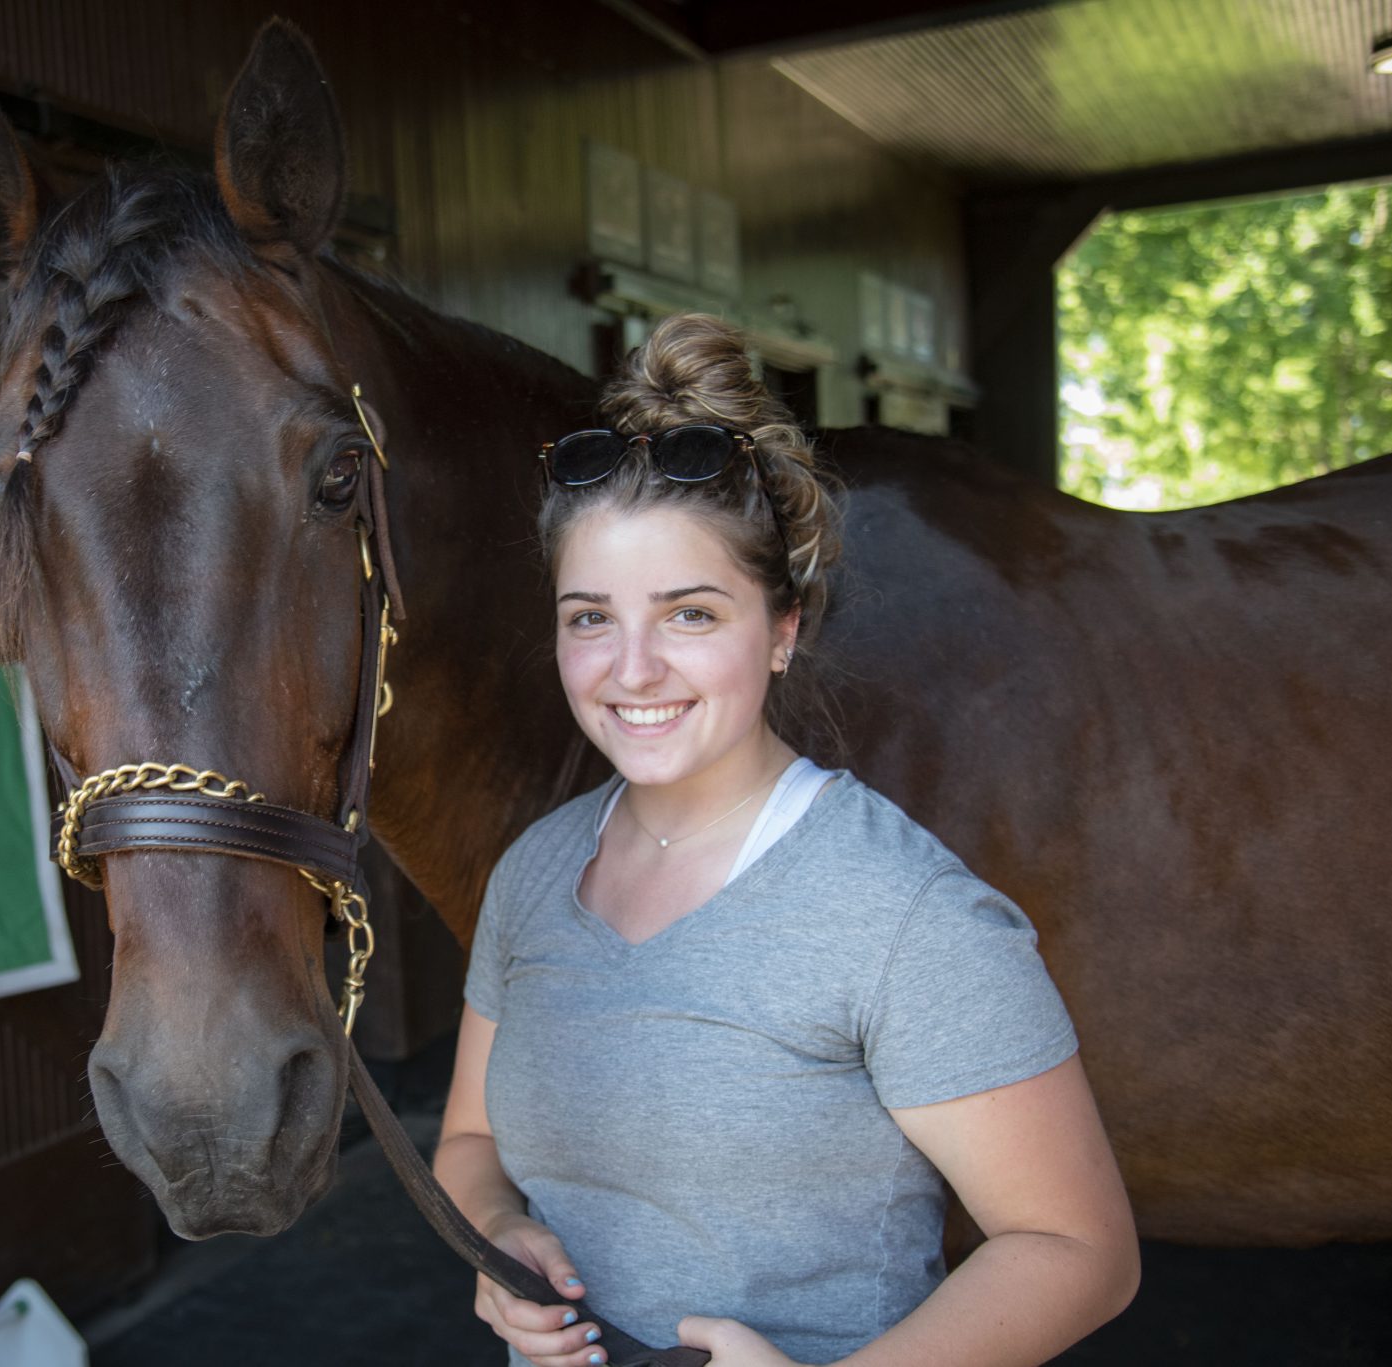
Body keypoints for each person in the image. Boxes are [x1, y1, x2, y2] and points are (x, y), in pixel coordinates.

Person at [433, 313, 1138, 1367]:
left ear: (783, 628)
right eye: (589, 617)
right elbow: (468, 1143)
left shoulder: (901, 911)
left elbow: (1078, 1247)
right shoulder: (534, 872)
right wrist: (499, 1239)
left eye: (690, 614)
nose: (630, 668)